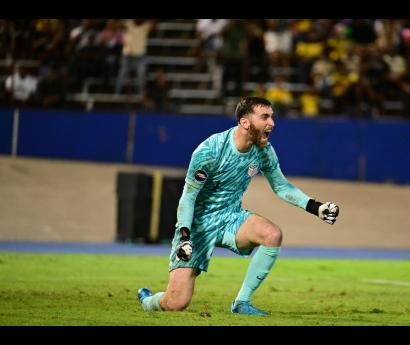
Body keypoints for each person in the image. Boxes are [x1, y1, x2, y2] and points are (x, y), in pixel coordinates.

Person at [137, 97, 340, 316]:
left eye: (272, 117)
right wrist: (185, 236)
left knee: (272, 235)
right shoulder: (210, 150)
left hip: (231, 217)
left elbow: (282, 186)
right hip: (197, 226)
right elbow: (188, 197)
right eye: (265, 117)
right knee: (176, 303)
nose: (272, 123)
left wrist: (315, 207)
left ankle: (241, 303)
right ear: (245, 122)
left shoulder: (264, 151)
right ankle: (148, 300)